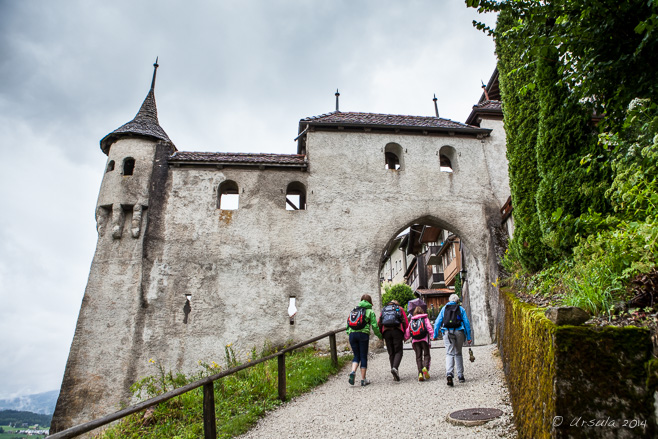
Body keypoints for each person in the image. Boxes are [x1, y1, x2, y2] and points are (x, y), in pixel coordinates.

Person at [433, 294, 472, 386]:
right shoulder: (461, 309)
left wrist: (435, 335)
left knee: (449, 352)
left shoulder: (444, 309)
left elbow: (437, 322)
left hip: (447, 332)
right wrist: (469, 337)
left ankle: (449, 373)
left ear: (449, 300)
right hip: (459, 331)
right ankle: (460, 375)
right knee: (458, 353)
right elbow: (466, 323)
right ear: (457, 301)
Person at [346, 294, 382, 386]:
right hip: (363, 335)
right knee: (363, 356)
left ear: (361, 300)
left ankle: (353, 372)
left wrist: (349, 333)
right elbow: (374, 326)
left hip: (352, 334)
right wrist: (380, 336)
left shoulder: (354, 309)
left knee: (356, 355)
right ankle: (363, 379)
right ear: (370, 302)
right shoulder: (370, 311)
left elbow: (348, 323)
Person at [378, 299, 409, 381]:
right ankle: (395, 368)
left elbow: (379, 322)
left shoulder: (384, 309)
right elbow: (405, 321)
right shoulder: (399, 309)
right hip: (397, 331)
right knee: (398, 351)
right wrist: (405, 334)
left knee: (391, 353)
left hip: (386, 332)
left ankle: (394, 373)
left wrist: (381, 334)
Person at [405, 306, 433, 381]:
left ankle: (420, 373)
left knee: (418, 356)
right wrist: (433, 335)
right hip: (424, 339)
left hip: (415, 340)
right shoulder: (425, 318)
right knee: (426, 355)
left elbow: (408, 331)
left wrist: (405, 338)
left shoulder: (412, 320)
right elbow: (429, 327)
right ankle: (425, 368)